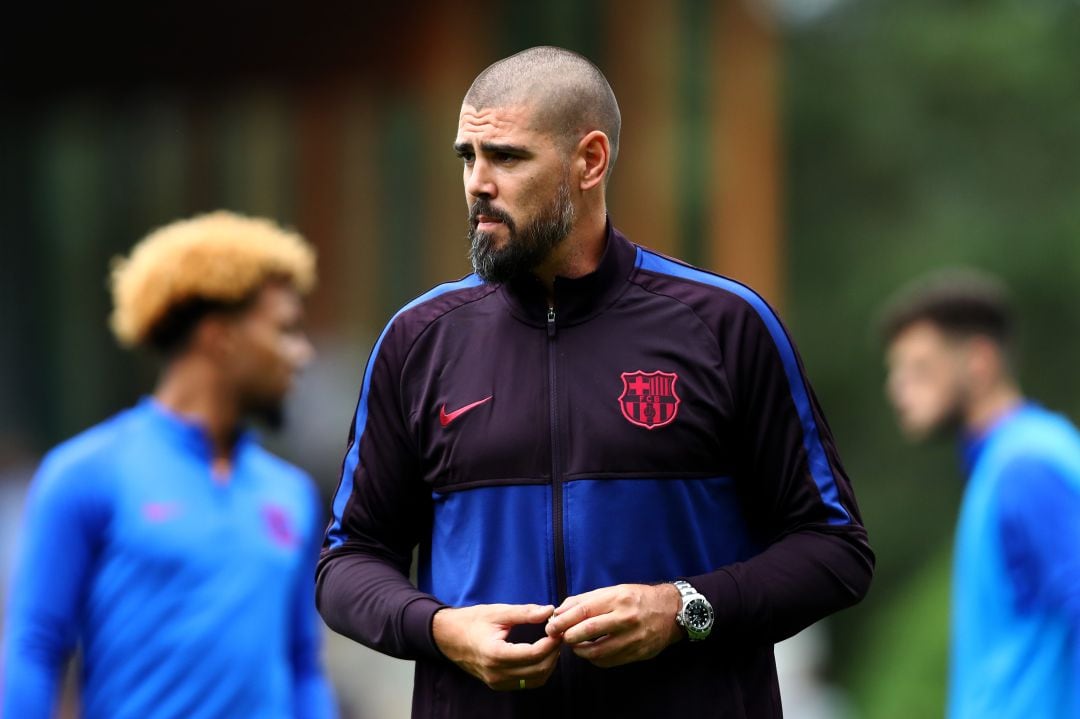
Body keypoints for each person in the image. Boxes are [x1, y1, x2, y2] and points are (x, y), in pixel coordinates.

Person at [317, 46, 873, 718]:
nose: (477, 183)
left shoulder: (726, 325)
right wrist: (441, 630)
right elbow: (346, 563)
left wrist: (683, 608)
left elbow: (834, 549)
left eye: (507, 156)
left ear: (590, 161)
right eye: (468, 156)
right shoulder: (418, 339)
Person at [1, 211, 338, 719]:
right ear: (219, 335)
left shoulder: (290, 493)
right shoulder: (85, 475)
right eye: (285, 330)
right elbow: (36, 649)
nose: (302, 354)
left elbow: (302, 664)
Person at [881, 269, 1080, 719]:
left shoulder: (1027, 464)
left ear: (979, 362)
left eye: (918, 367)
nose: (897, 389)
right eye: (895, 371)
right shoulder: (1004, 462)